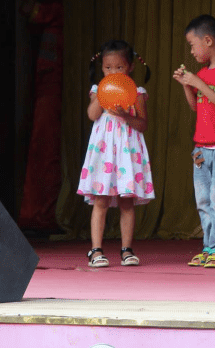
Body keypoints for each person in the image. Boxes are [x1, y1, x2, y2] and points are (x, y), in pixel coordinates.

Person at [78, 39, 154, 268]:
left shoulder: (136, 92)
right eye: (108, 68)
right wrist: (103, 94)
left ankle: (127, 250)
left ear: (130, 67)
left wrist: (125, 115)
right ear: (101, 68)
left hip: (127, 151)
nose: (113, 72)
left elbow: (142, 125)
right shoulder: (98, 90)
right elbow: (92, 115)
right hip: (104, 151)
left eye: (119, 67)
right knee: (101, 200)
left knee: (126, 202)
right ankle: (96, 250)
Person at [173, 15, 215, 269]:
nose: (191, 51)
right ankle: (208, 247)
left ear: (208, 41)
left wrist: (199, 83)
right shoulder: (201, 73)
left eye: (193, 44)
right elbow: (196, 107)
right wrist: (187, 85)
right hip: (200, 148)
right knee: (203, 201)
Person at [18, 0, 64, 232]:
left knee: (47, 150)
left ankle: (44, 213)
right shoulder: (51, 14)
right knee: (43, 149)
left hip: (55, 89)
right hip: (46, 86)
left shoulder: (57, 11)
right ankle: (39, 212)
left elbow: (27, 9)